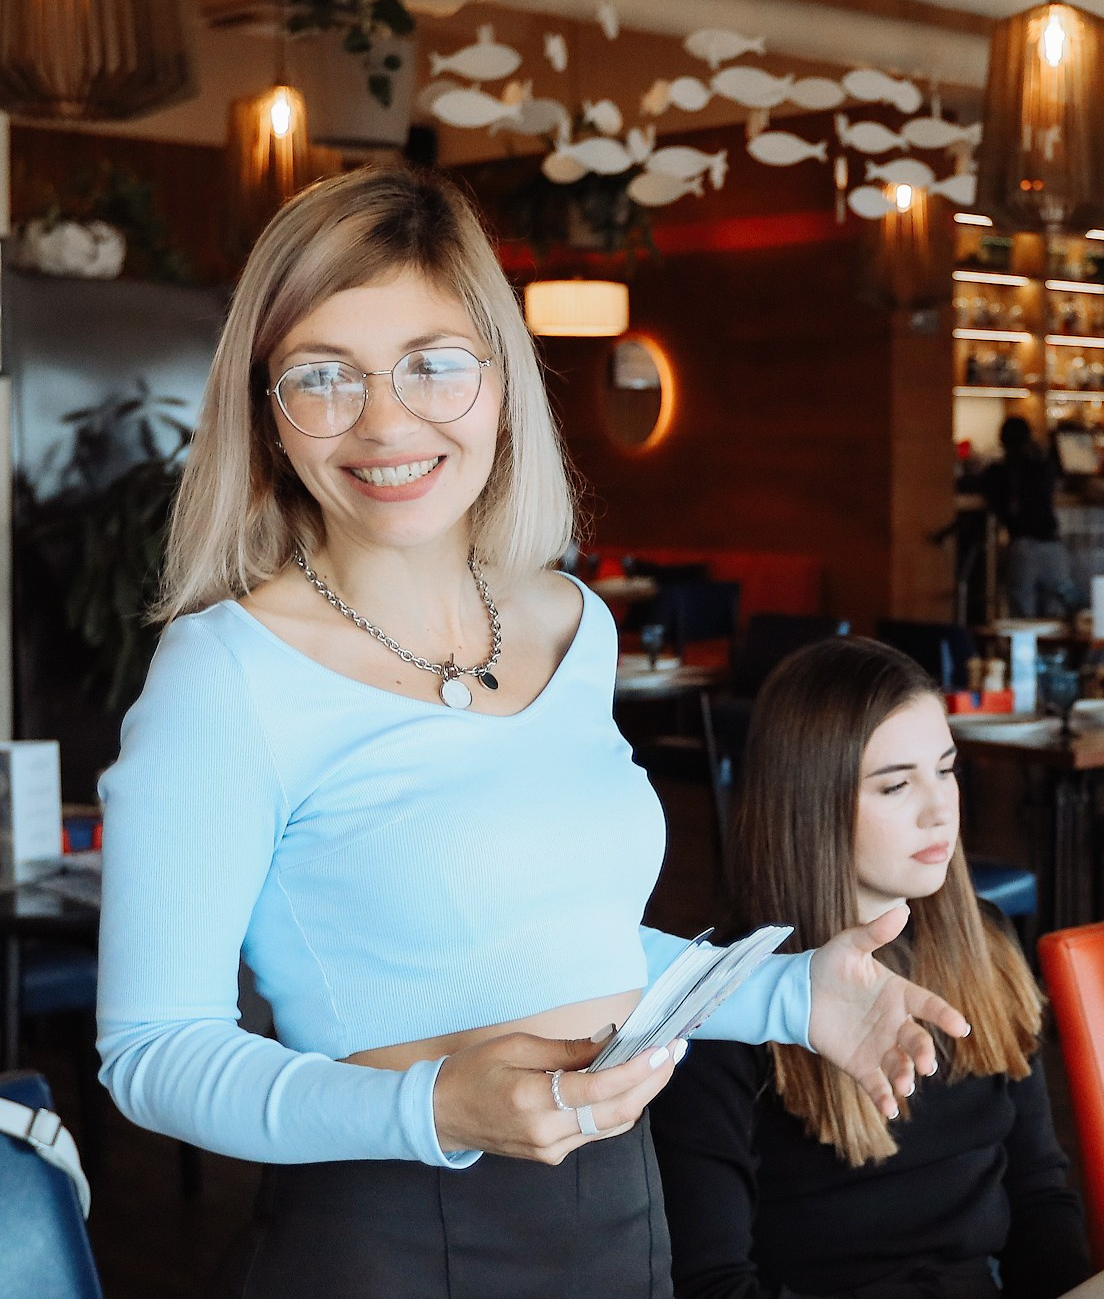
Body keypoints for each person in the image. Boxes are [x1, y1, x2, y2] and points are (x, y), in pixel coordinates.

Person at [95, 165, 967, 1298]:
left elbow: (565, 951)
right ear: (267, 410)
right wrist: (433, 1104)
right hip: (389, 1234)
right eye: (324, 376)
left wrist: (788, 997)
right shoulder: (225, 672)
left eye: (432, 364)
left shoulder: (569, 621)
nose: (385, 421)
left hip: (616, 1212)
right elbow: (153, 1052)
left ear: (500, 380)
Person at [652, 637, 1089, 1299]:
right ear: (811, 805)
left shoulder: (987, 939)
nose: (939, 807)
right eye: (895, 783)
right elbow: (712, 1281)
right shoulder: (727, 1002)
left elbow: (1039, 1200)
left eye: (946, 769)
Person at [980, 416, 1076, 618]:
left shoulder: (998, 471)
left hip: (1022, 546)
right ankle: (1054, 650)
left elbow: (985, 491)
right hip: (1052, 546)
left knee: (1023, 617)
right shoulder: (1044, 466)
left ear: (1002, 440)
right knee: (1055, 613)